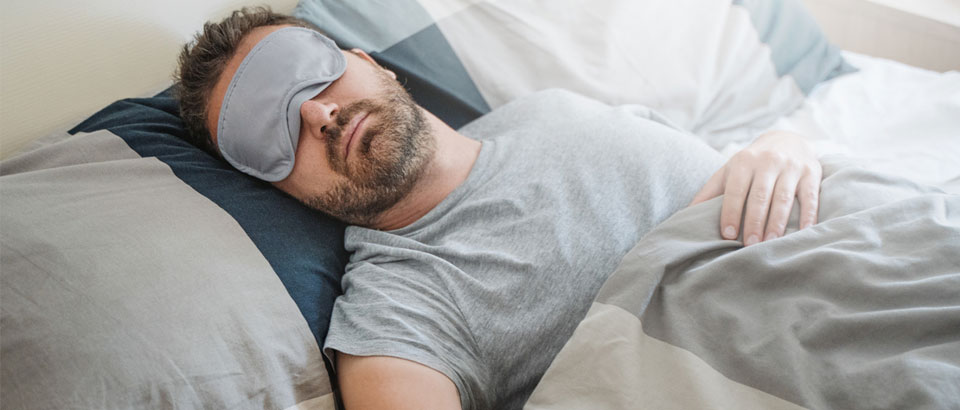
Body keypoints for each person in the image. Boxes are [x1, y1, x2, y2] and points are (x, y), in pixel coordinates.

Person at [175, 8, 823, 410]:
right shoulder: (395, 323)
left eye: (311, 75)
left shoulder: (553, 108)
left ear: (369, 63)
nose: (318, 114)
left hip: (857, 252)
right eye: (271, 132)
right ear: (277, 188)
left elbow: (721, 172)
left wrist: (782, 145)